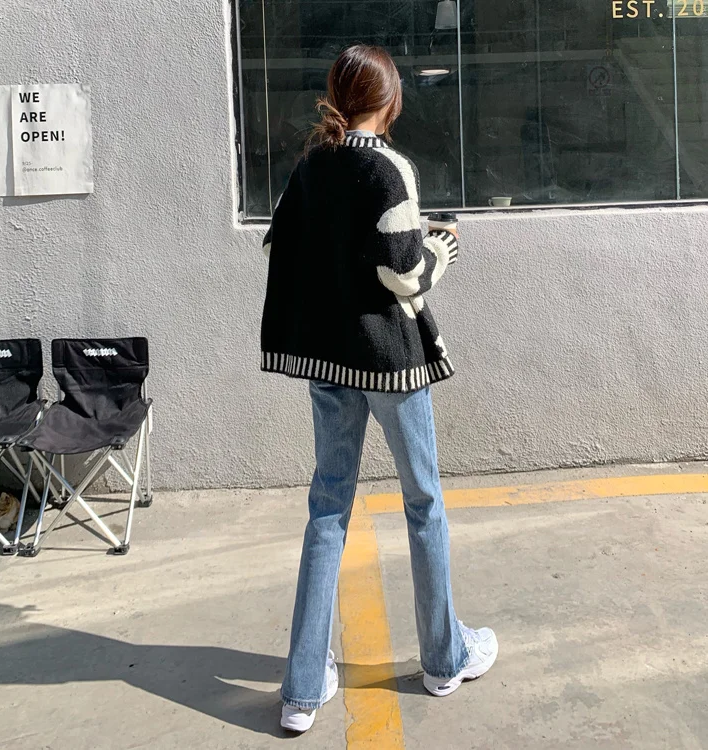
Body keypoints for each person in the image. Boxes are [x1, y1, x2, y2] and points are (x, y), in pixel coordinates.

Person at [260, 44, 498, 734]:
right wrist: (440, 250)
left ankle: (303, 688)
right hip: (390, 362)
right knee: (423, 503)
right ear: (389, 101)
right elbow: (404, 275)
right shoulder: (389, 167)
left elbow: (281, 246)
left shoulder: (311, 165)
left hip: (328, 362)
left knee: (327, 508)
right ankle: (443, 659)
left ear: (338, 95)